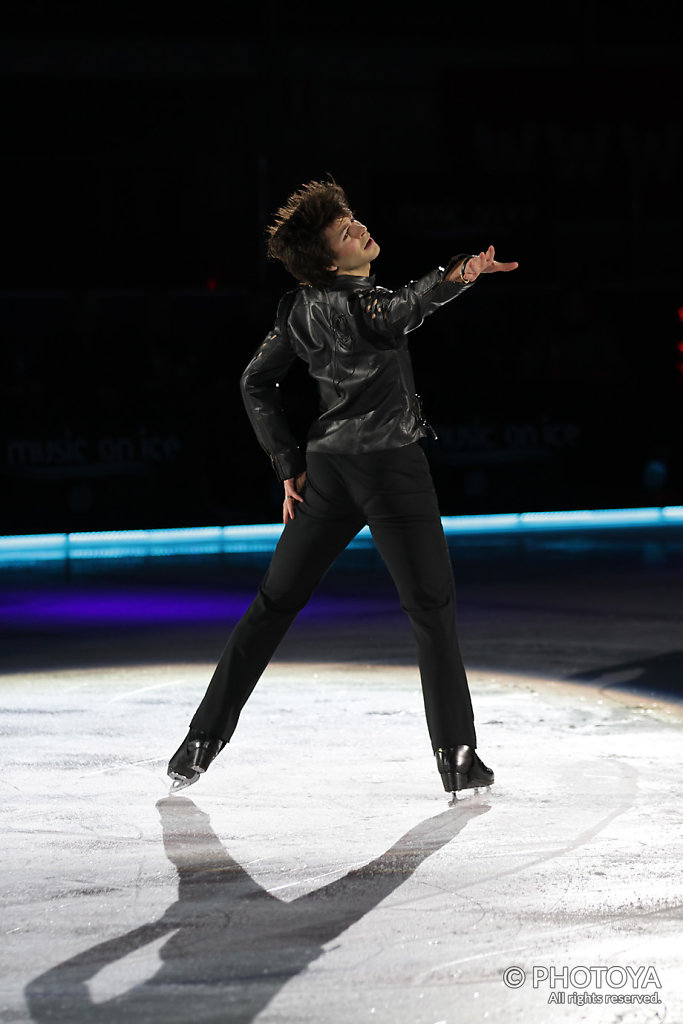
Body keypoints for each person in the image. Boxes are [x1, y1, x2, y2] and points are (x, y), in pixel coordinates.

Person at [168, 178, 518, 797]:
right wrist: (462, 271)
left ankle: (201, 739)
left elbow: (255, 383)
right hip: (391, 473)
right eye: (345, 230)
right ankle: (457, 754)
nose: (359, 227)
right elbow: (408, 304)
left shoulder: (297, 309)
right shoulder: (368, 305)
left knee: (274, 605)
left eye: (353, 218)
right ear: (332, 260)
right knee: (430, 609)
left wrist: (287, 463)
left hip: (327, 473)